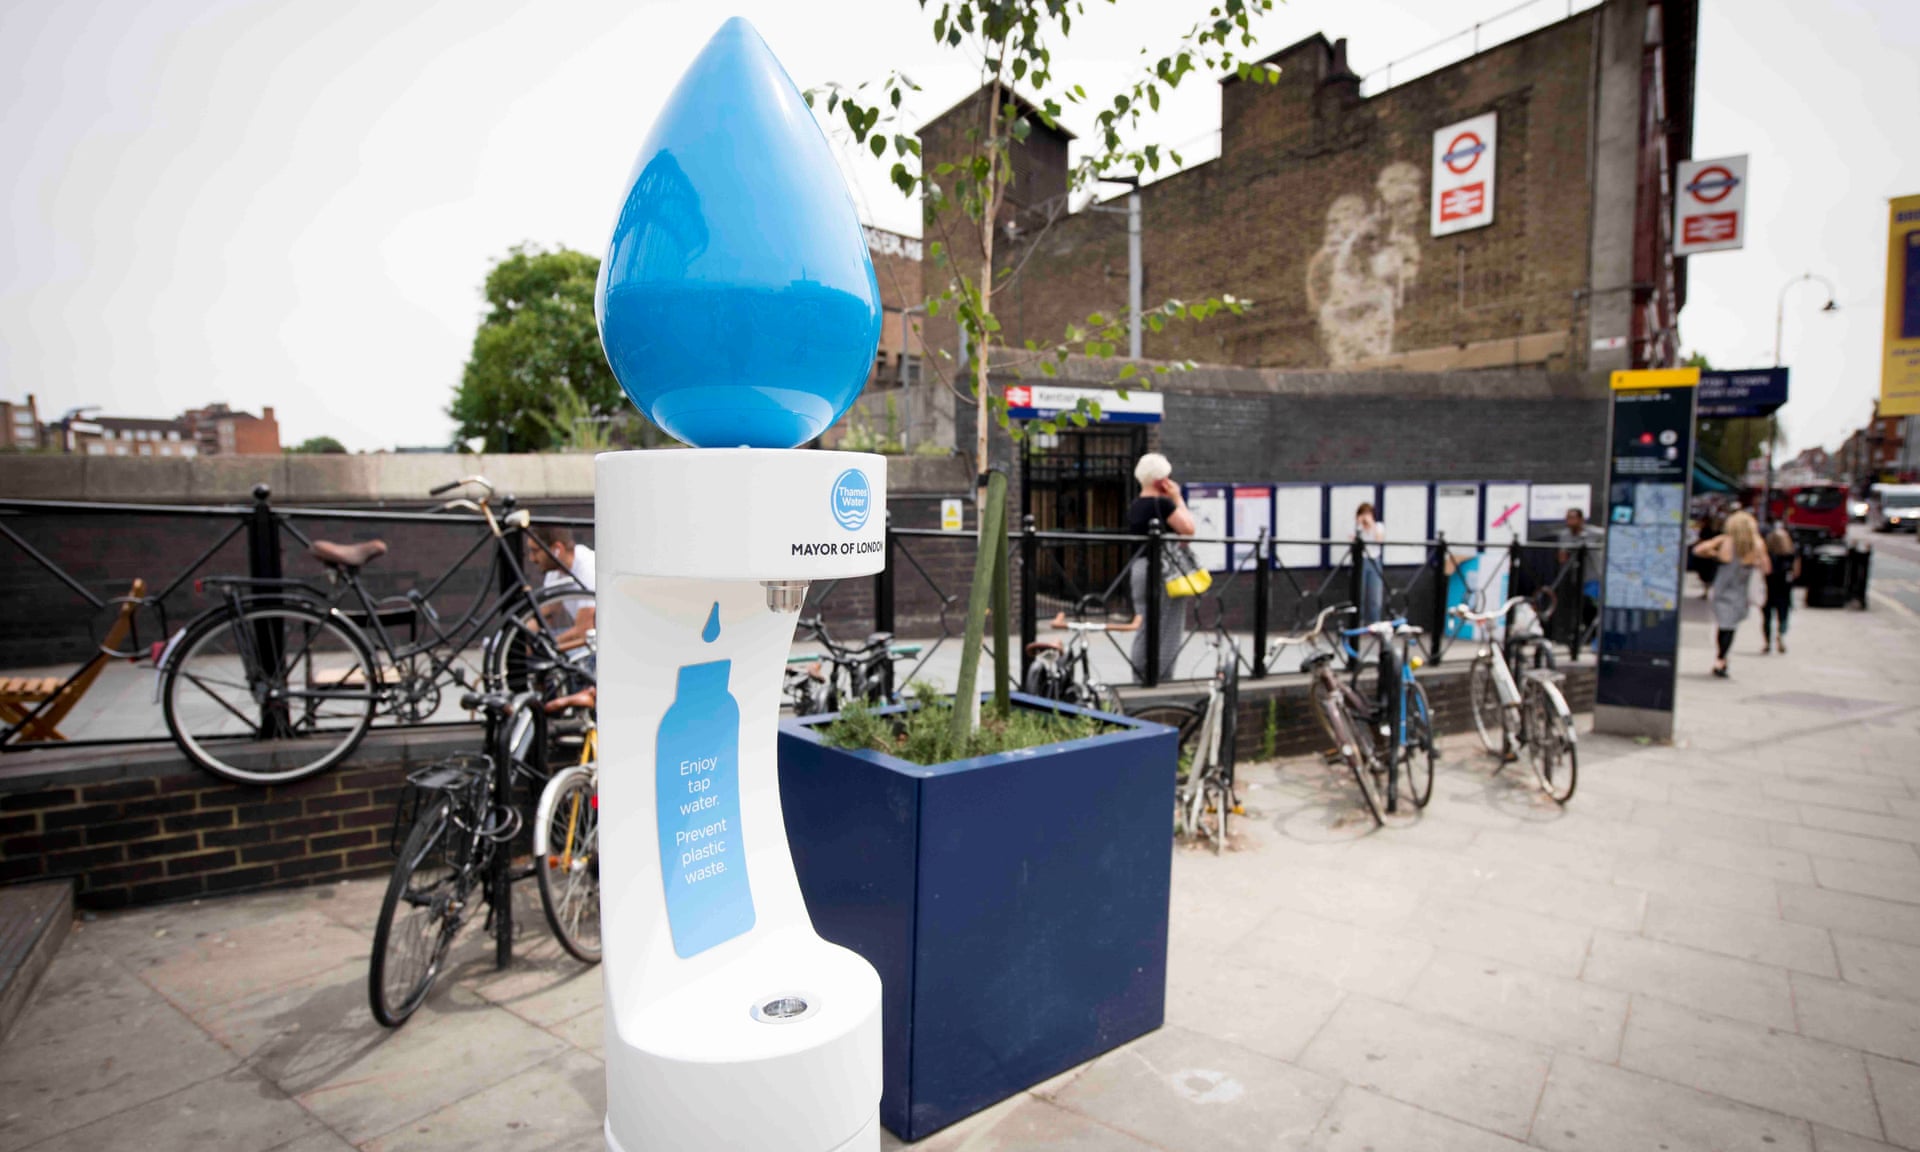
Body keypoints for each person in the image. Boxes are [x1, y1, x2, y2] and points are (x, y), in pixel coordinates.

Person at [1126, 453, 1196, 684]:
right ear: (1161, 481)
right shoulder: (1164, 504)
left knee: (1145, 623)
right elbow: (1188, 529)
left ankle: (1140, 676)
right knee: (1169, 626)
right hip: (1164, 572)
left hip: (1139, 569)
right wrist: (1178, 498)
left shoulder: (1135, 506)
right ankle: (1162, 677)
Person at [1690, 509, 1771, 679]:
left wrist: (1715, 555)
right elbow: (1767, 568)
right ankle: (1722, 657)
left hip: (1723, 588)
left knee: (1724, 625)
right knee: (1730, 626)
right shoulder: (1756, 543)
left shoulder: (1725, 540)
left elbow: (1698, 549)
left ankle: (1721, 658)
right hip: (1741, 589)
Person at [529, 526, 597, 651]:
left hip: (601, 646)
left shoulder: (588, 570)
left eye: (535, 551)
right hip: (585, 641)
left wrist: (545, 649)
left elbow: (584, 631)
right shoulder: (555, 570)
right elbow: (545, 614)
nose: (532, 558)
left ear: (557, 549)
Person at [1555, 507, 1606, 644]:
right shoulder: (1565, 535)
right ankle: (1583, 638)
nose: (1570, 521)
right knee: (1581, 609)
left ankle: (1596, 638)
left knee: (1594, 607)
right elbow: (1562, 558)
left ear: (1581, 519)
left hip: (1594, 577)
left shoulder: (1595, 533)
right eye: (1568, 518)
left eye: (1573, 518)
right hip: (1577, 578)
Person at [1760, 523, 1801, 655]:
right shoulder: (1791, 554)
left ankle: (1767, 642)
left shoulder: (1767, 553)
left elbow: (1763, 570)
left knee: (1767, 617)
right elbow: (1796, 572)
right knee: (1783, 616)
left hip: (1769, 589)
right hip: (1784, 590)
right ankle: (1781, 635)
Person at [1354, 502, 1386, 624]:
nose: (1365, 517)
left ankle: (1375, 622)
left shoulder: (1378, 526)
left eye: (1368, 513)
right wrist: (1360, 524)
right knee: (1360, 593)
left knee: (1375, 595)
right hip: (1362, 559)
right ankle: (1359, 621)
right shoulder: (1359, 528)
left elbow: (1379, 540)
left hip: (1375, 559)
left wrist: (1371, 525)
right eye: (1363, 514)